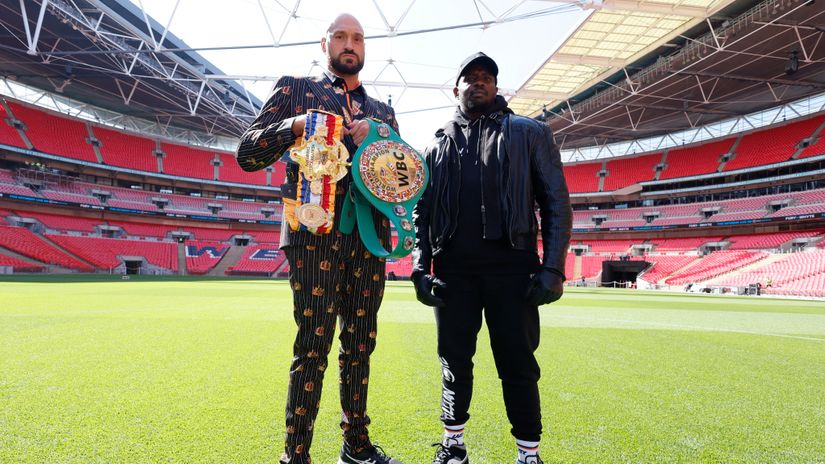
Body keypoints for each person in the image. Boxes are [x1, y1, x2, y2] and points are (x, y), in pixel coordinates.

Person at [235, 13, 403, 464]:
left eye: (358, 38)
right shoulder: (295, 88)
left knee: (361, 343)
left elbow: (399, 182)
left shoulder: (384, 112)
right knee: (313, 343)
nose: (350, 44)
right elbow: (246, 152)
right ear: (324, 42)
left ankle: (357, 445)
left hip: (369, 237)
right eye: (341, 36)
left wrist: (382, 139)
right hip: (314, 233)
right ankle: (297, 454)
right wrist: (294, 126)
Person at [411, 52, 572, 464]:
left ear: (497, 88)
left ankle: (528, 454)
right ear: (456, 89)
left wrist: (553, 267)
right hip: (453, 270)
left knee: (518, 364)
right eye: (470, 77)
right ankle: (453, 445)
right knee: (453, 363)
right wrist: (419, 266)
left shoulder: (529, 132)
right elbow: (422, 211)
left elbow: (556, 201)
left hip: (513, 267)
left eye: (487, 77)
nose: (478, 82)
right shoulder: (435, 141)